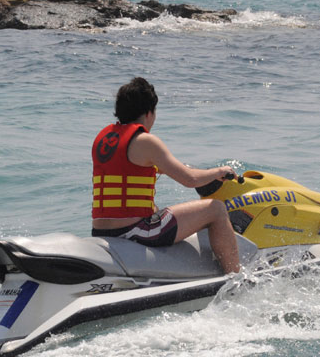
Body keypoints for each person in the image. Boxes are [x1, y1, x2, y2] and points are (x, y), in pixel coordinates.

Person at [91, 77, 241, 274]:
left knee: (156, 208)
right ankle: (236, 278)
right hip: (134, 231)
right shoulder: (146, 141)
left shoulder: (103, 139)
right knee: (216, 209)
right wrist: (219, 171)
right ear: (148, 113)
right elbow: (190, 179)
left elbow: (133, 171)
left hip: (100, 230)